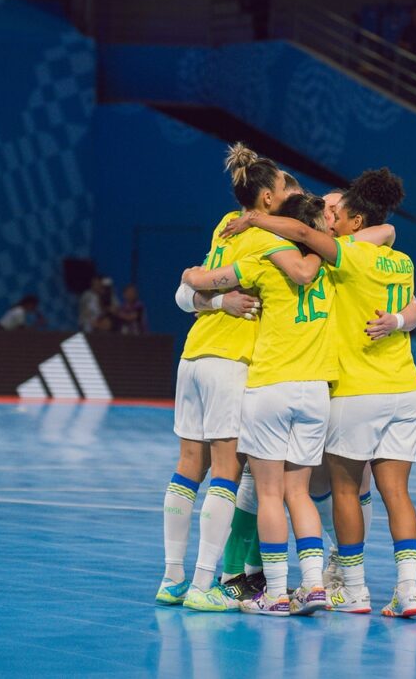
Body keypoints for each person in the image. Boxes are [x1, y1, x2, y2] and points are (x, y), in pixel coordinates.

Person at [221, 167, 416, 617]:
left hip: (345, 389)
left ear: (354, 221)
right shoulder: (400, 259)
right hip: (402, 388)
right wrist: (396, 320)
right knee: (386, 492)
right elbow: (397, 257)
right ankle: (405, 588)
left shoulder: (339, 258)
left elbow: (300, 233)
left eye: (337, 212)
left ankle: (339, 584)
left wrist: (253, 221)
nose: (327, 218)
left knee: (333, 489)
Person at [156, 143, 300, 613]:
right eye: (283, 188)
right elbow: (308, 245)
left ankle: (172, 578)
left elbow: (183, 293)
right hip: (229, 362)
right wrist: (227, 302)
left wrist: (215, 301)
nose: (289, 195)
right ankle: (203, 585)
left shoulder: (225, 225)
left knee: (186, 467)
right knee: (225, 471)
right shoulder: (269, 240)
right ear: (265, 200)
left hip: (193, 356)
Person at [182, 192, 335, 617]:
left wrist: (198, 274)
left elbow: (198, 282)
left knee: (268, 493)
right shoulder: (337, 268)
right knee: (299, 494)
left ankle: (277, 592)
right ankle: (314, 586)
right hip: (316, 390)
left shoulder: (263, 263)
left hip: (270, 386)